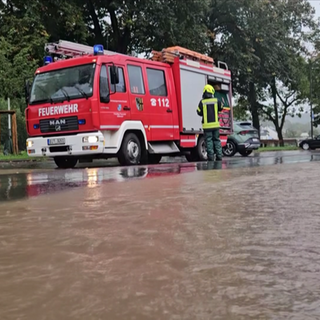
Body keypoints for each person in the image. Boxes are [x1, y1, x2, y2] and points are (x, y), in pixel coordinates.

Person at [196, 84, 223, 161]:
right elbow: (221, 108)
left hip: (207, 127)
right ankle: (219, 156)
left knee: (209, 141)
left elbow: (198, 112)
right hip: (215, 126)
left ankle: (210, 157)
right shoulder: (216, 100)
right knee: (217, 140)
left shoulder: (202, 102)